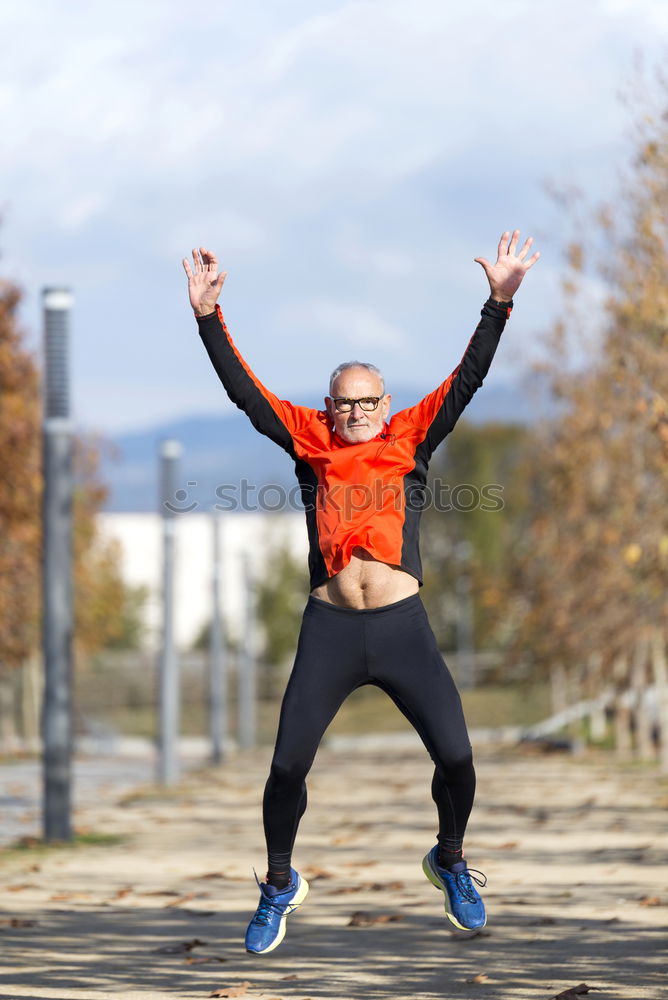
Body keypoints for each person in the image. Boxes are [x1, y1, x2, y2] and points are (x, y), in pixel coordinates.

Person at [182, 230, 540, 954]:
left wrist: (498, 303)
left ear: (385, 403)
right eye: (344, 405)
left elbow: (467, 378)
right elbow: (245, 391)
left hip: (402, 627)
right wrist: (208, 319)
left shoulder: (411, 435)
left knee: (459, 760)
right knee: (286, 767)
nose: (356, 414)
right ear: (329, 406)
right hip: (333, 631)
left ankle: (450, 859)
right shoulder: (309, 438)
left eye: (367, 402)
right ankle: (279, 883)